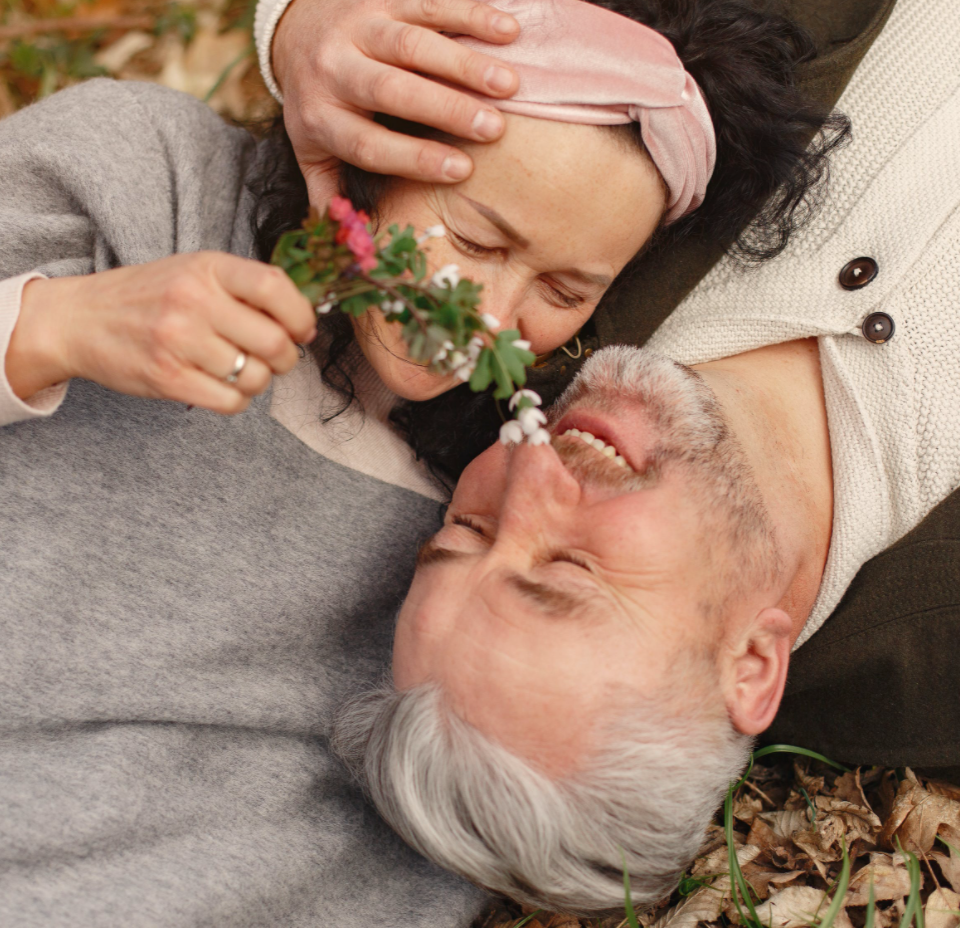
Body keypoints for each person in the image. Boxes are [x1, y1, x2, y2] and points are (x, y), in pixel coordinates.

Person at [0, 1, 837, 925]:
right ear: (373, 155)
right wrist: (48, 329)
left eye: (562, 289)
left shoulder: (520, 479)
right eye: (474, 243)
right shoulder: (154, 191)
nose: (490, 313)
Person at [262, 0, 960, 773]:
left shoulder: (591, 202)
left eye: (465, 531)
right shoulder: (929, 660)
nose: (529, 475)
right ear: (751, 664)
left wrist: (300, 26)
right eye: (570, 571)